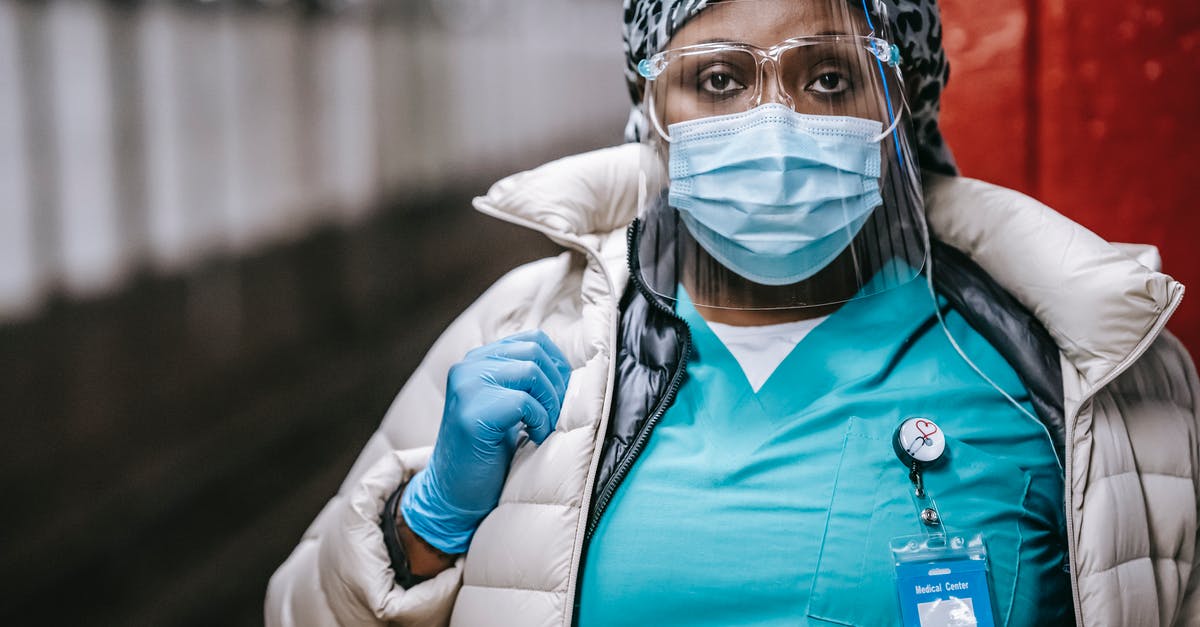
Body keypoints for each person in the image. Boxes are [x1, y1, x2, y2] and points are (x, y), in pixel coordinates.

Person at [265, 0, 1200, 625]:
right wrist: (425, 525)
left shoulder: (1084, 374)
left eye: (828, 79)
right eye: (718, 81)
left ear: (900, 100)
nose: (776, 122)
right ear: (648, 104)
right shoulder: (525, 332)